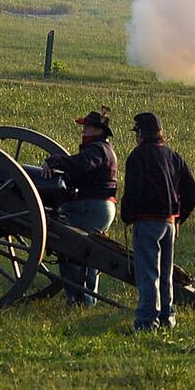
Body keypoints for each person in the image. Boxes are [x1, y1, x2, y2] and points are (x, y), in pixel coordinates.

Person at [121, 112, 195, 331]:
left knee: (148, 274)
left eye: (137, 132)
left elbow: (134, 190)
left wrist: (127, 215)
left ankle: (147, 321)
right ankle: (167, 317)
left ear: (141, 134)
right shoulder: (173, 156)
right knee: (165, 275)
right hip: (169, 223)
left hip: (147, 222)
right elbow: (191, 191)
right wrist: (180, 217)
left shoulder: (138, 156)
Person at [44, 108, 119, 306]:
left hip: (90, 207)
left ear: (98, 130)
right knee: (88, 253)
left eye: (87, 127)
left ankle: (78, 300)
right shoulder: (102, 149)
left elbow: (82, 164)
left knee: (70, 248)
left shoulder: (97, 149)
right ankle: (86, 300)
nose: (83, 130)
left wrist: (54, 161)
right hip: (98, 207)